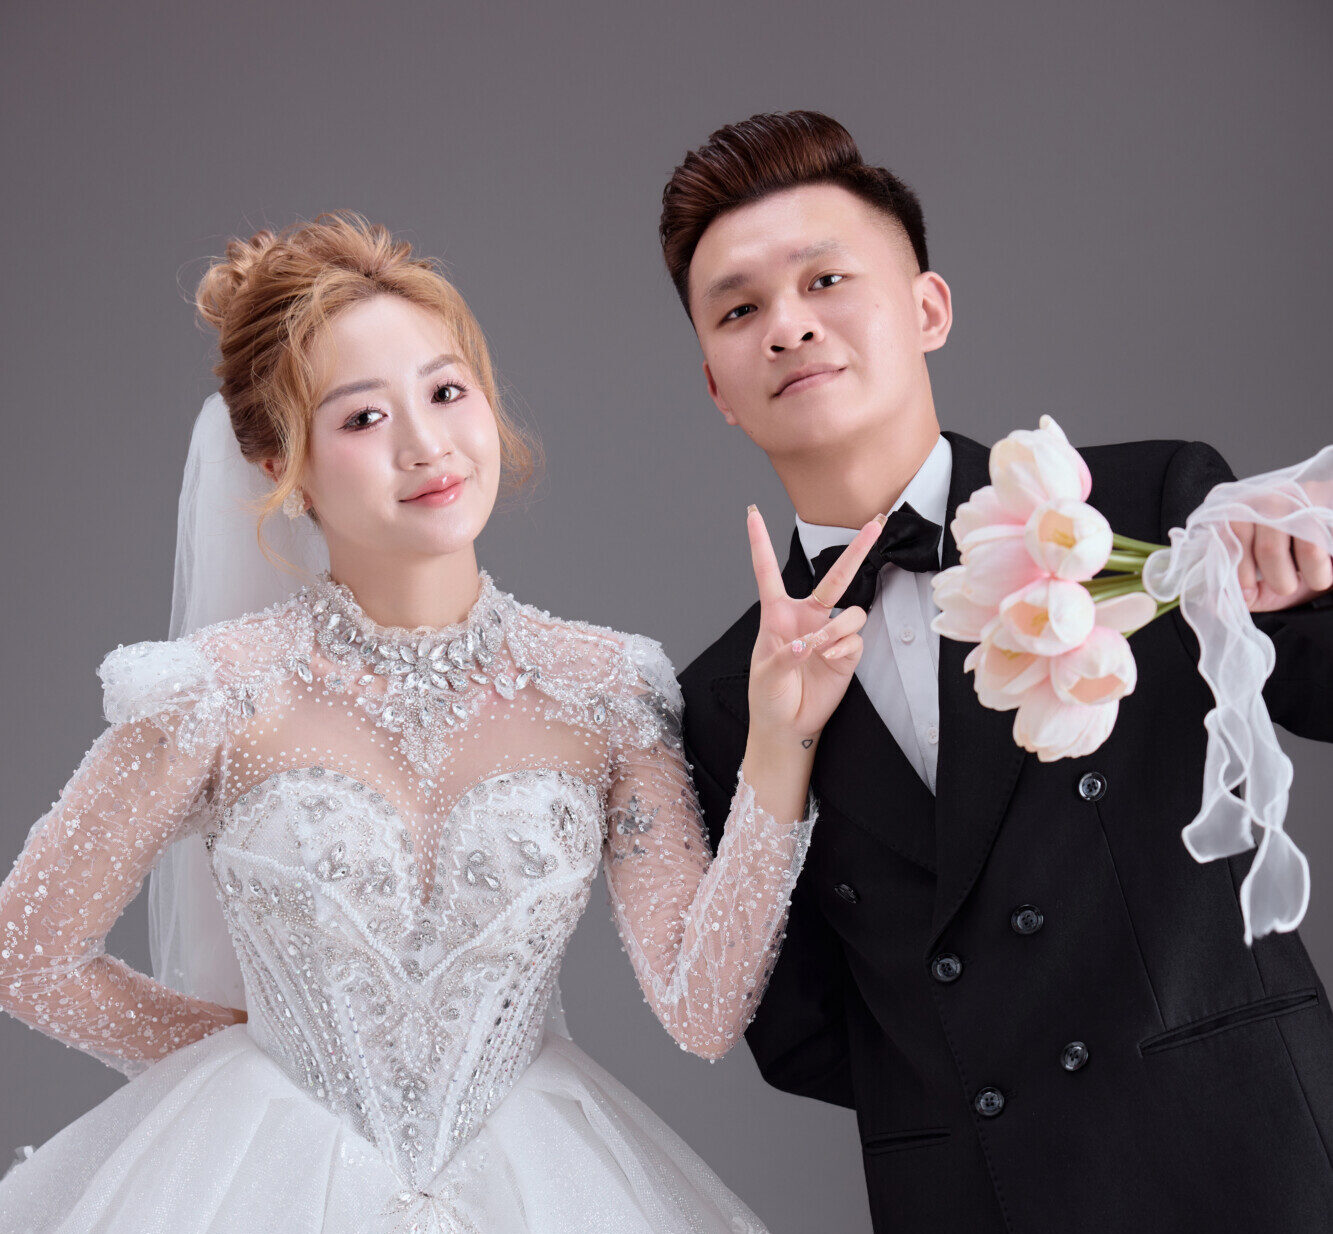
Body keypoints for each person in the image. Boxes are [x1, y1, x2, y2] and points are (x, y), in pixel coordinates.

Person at [0, 212, 884, 1233]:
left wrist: (780, 742)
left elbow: (702, 1008)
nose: (426, 445)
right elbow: (26, 951)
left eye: (446, 392)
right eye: (362, 418)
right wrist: (255, 1068)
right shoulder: (211, 696)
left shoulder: (604, 690)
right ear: (282, 461)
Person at [662, 110, 1333, 1234]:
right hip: (979, 1197)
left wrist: (1314, 567)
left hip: (1240, 1159)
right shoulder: (727, 698)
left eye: (825, 279)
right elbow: (800, 1030)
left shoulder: (1144, 507)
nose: (788, 326)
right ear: (717, 389)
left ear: (928, 309)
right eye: (739, 310)